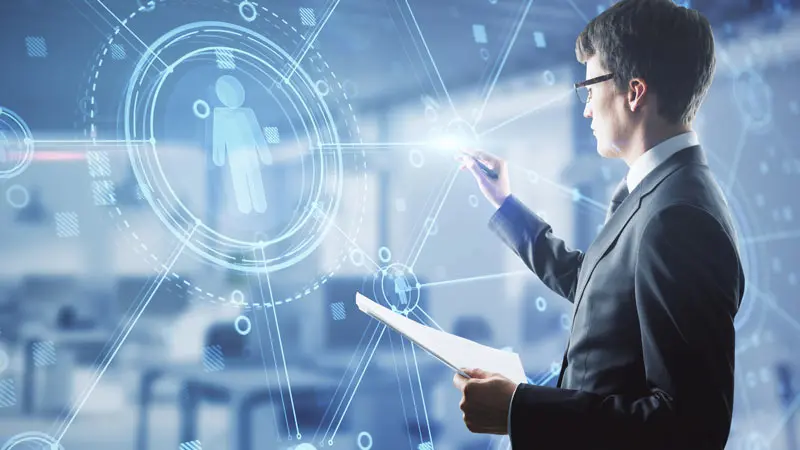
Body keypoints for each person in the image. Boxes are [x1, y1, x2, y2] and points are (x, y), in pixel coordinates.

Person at [452, 0, 745, 449]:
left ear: (634, 92)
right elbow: (597, 285)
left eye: (590, 87)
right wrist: (506, 205)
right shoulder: (655, 193)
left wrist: (519, 410)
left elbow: (691, 426)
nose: (586, 108)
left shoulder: (678, 218)